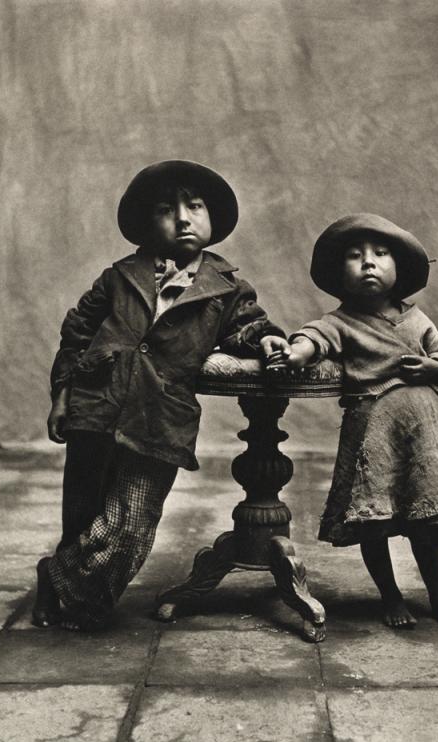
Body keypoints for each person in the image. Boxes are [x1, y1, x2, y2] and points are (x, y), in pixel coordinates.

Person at [33, 160, 284, 630]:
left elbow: (247, 325)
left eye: (195, 207)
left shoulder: (226, 287)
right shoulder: (119, 276)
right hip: (97, 403)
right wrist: (63, 394)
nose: (183, 218)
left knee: (132, 522)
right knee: (84, 512)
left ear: (212, 219)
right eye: (167, 210)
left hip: (160, 414)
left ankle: (55, 576)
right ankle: (80, 602)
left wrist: (267, 339)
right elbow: (77, 334)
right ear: (148, 223)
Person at [263, 214, 438, 631]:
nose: (368, 263)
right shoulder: (340, 322)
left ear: (398, 269)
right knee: (373, 523)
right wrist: (297, 353)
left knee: (426, 522)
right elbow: (314, 337)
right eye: (355, 256)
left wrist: (434, 367)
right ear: (337, 272)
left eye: (380, 254)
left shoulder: (417, 320)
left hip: (425, 440)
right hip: (373, 438)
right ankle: (391, 597)